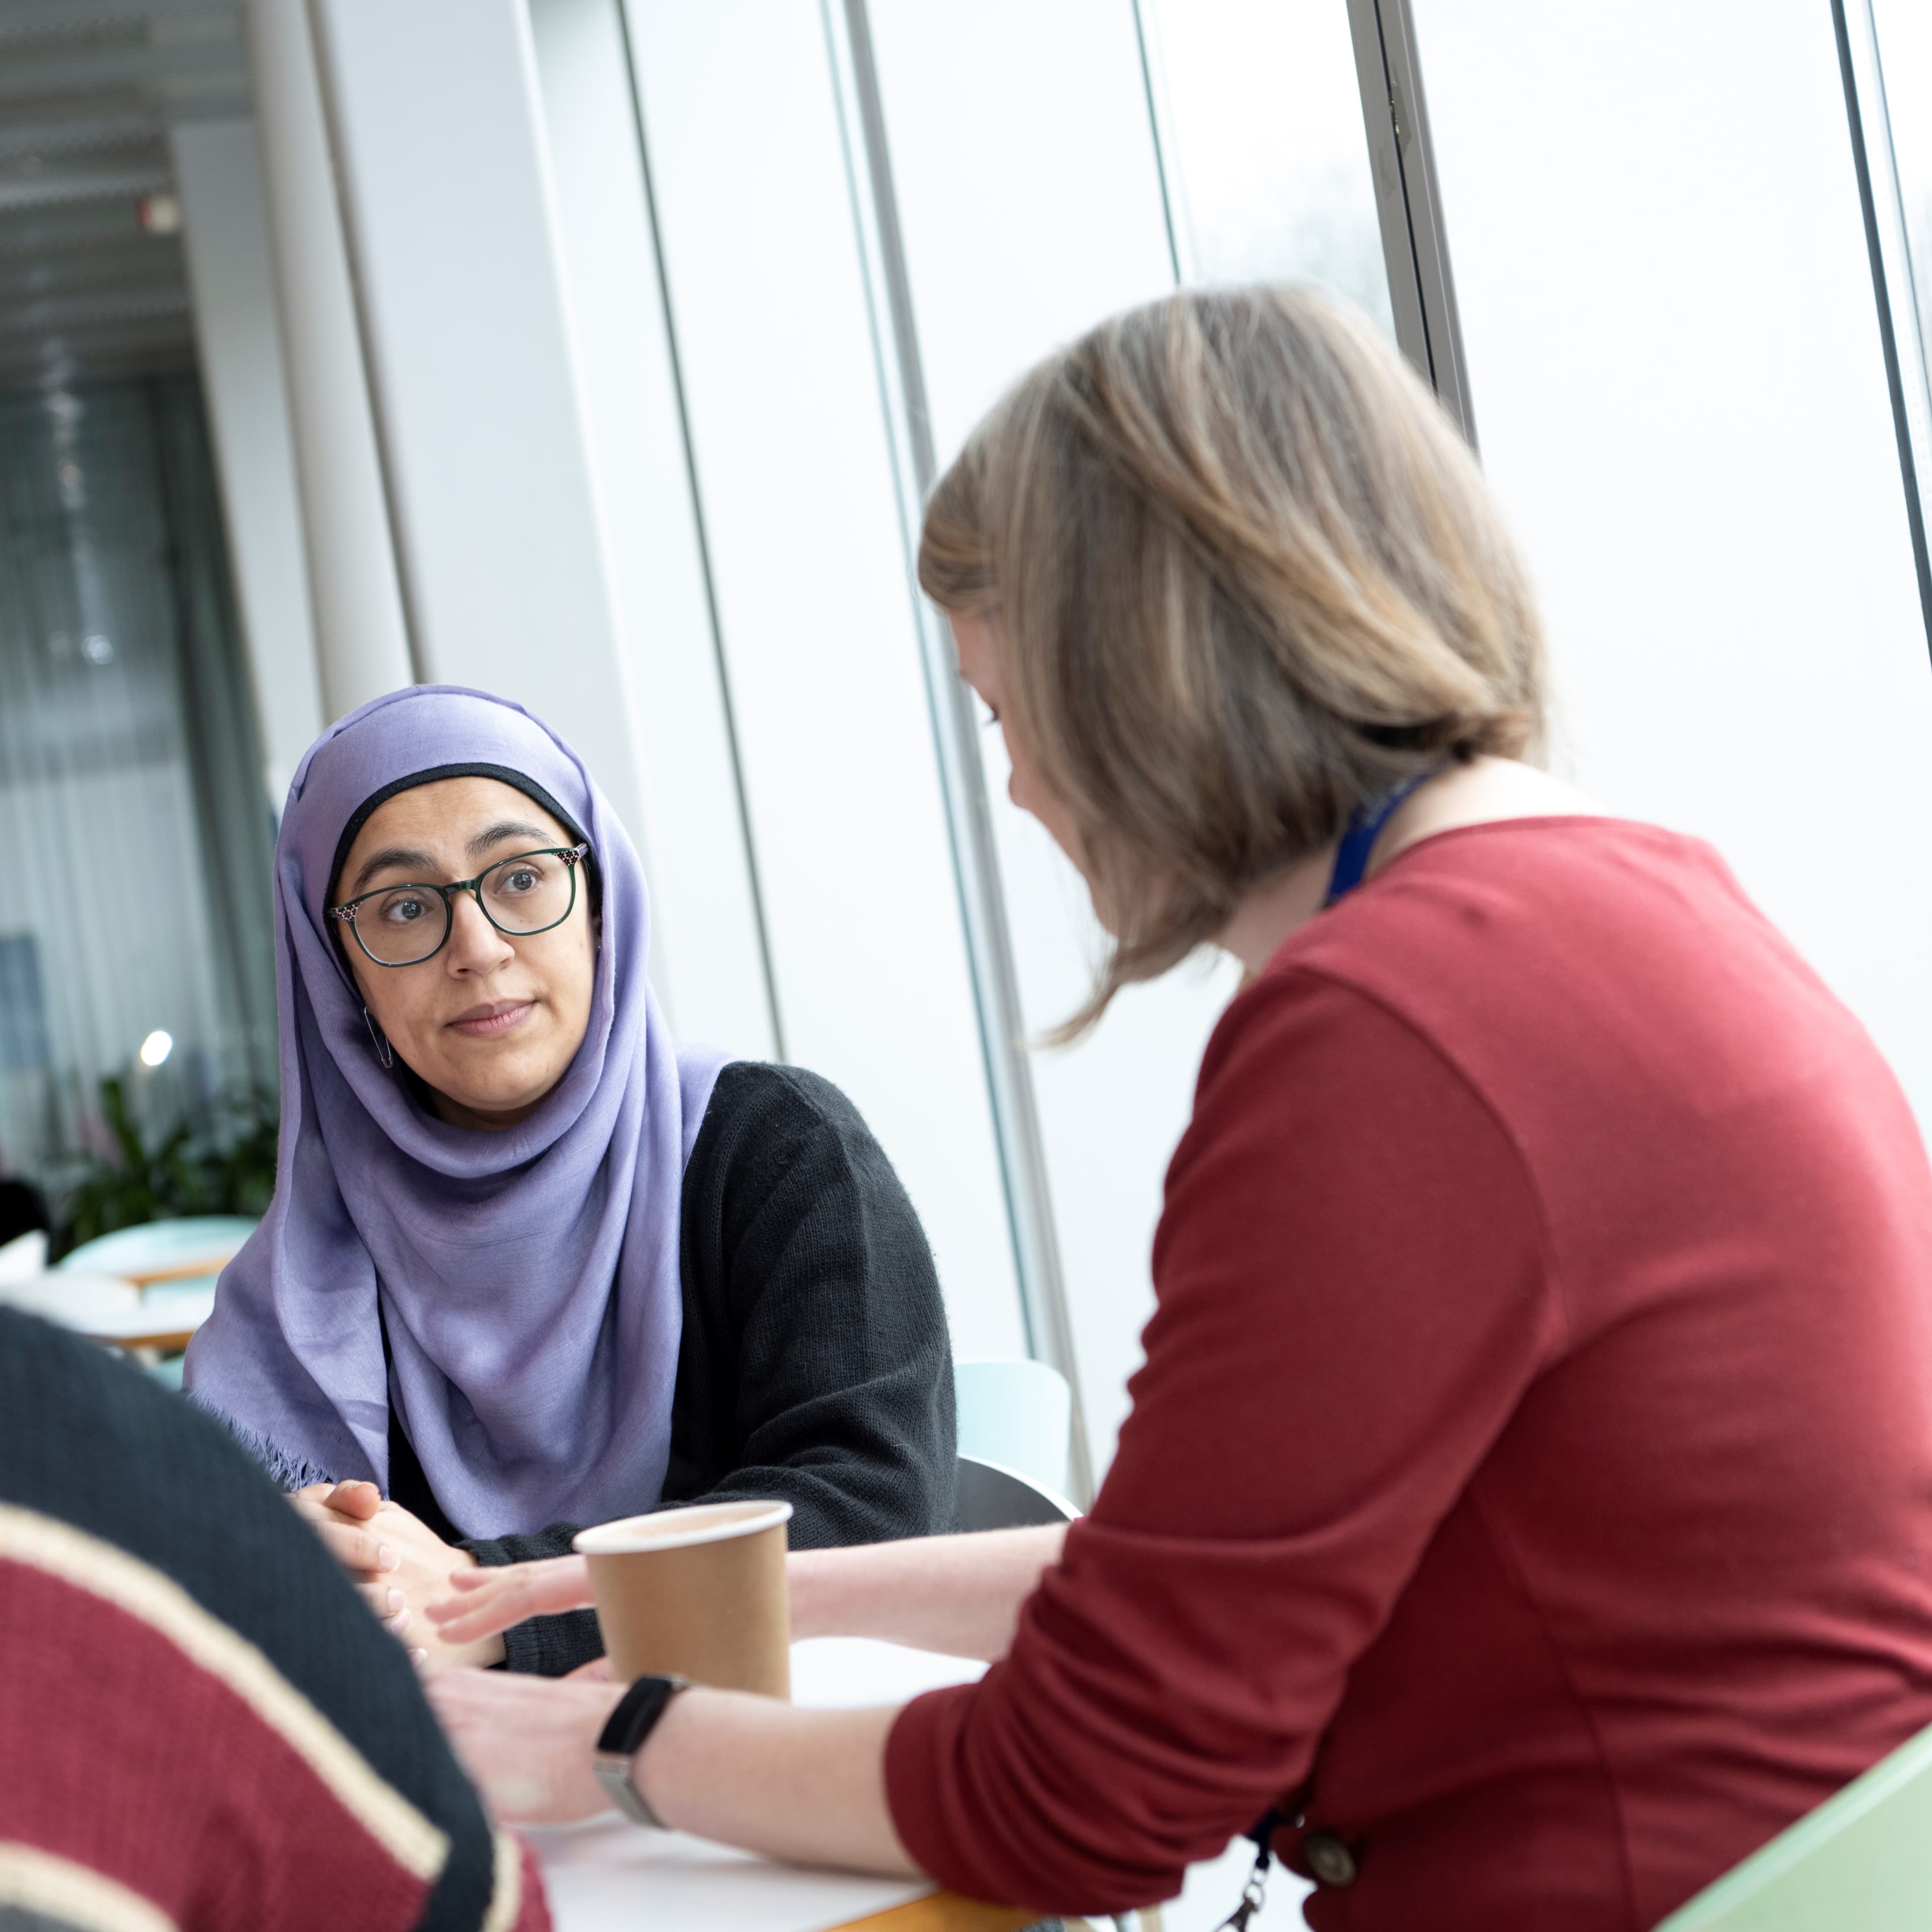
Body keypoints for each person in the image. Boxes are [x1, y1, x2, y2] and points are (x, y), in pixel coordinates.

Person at [422, 286, 1932, 1931]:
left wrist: (620, 1739)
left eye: (1007, 712)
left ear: (1139, 675)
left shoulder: (1391, 1032)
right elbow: (1176, 1586)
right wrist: (663, 1593)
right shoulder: (1628, 908)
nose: (1014, 786)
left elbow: (1084, 1798)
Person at [184, 685, 953, 1675]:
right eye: (405, 907)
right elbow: (201, 1599)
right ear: (340, 977)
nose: (479, 949)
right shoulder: (302, 1286)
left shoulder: (778, 1156)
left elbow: (877, 1511)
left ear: (599, 904)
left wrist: (494, 1603)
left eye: (520, 878)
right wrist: (287, 1557)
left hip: (776, 1777)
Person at [0, 1305, 548, 1931]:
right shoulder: (269, 1301)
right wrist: (279, 1550)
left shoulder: (684, 1221)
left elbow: (688, 1569)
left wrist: (496, 1599)